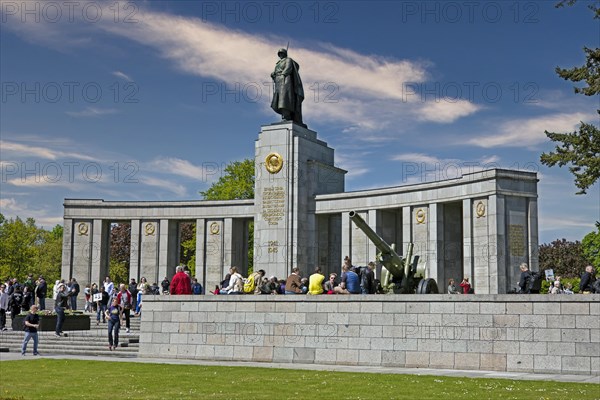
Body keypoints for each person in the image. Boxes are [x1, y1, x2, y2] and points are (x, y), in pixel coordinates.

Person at [270, 48, 305, 126]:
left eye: (282, 53)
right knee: (279, 99)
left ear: (285, 53)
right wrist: (274, 74)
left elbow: (288, 68)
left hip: (286, 80)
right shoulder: (278, 63)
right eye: (279, 53)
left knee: (285, 98)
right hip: (278, 81)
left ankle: (287, 116)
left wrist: (283, 75)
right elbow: (277, 71)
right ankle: (284, 116)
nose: (281, 55)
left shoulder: (288, 60)